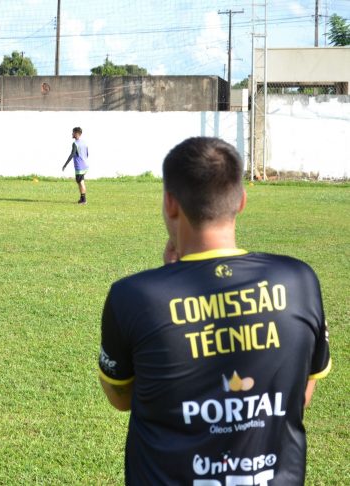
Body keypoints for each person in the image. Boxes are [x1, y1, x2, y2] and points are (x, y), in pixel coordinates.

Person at [97, 137, 331, 485]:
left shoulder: (133, 296)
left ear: (170, 203)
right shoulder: (299, 280)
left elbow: (121, 397)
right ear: (242, 201)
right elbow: (300, 395)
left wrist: (169, 284)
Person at [62, 127, 89, 204]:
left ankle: (83, 200)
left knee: (80, 182)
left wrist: (65, 165)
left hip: (79, 166)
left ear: (77, 133)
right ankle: (82, 199)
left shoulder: (75, 143)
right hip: (85, 165)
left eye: (73, 132)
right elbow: (87, 154)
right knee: (81, 181)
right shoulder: (84, 142)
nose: (72, 134)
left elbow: (72, 154)